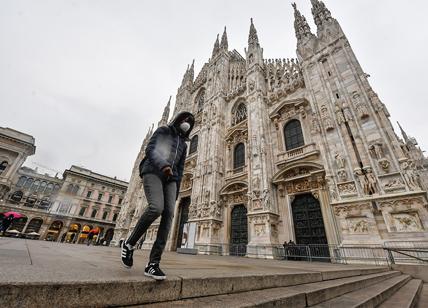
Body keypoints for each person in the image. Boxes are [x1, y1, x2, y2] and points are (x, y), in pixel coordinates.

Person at [120, 111, 194, 280]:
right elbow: (151, 149)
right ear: (177, 119)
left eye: (190, 122)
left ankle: (153, 264)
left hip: (171, 179)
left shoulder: (183, 144)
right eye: (185, 119)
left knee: (169, 215)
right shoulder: (163, 131)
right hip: (153, 170)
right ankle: (130, 243)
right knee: (156, 207)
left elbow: (181, 168)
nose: (187, 123)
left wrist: (176, 186)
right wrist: (164, 165)